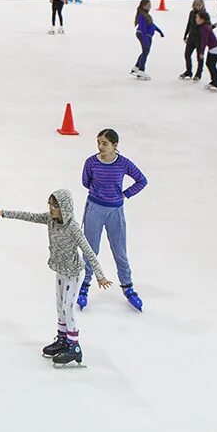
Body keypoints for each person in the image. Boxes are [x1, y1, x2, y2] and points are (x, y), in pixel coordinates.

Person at [0, 190, 111, 368]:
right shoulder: (50, 220)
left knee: (68, 307)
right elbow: (29, 216)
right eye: (50, 205)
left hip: (73, 273)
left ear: (65, 208)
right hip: (60, 270)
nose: (51, 209)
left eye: (55, 206)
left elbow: (88, 251)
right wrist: (4, 213)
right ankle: (62, 339)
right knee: (60, 306)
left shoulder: (73, 227)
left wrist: (100, 275)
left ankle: (74, 347)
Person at [78, 130, 147, 313]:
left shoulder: (123, 163)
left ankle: (127, 286)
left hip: (115, 211)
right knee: (90, 249)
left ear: (115, 145)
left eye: (105, 143)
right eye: (98, 142)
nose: (100, 147)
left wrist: (124, 194)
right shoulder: (91, 162)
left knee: (119, 250)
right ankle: (84, 284)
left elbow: (141, 180)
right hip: (94, 209)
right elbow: (86, 182)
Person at [131, 0, 163, 80]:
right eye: (148, 5)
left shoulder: (146, 14)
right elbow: (143, 29)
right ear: (143, 6)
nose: (150, 7)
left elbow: (152, 25)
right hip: (143, 35)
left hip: (146, 36)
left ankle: (136, 67)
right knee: (145, 52)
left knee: (145, 52)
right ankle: (141, 71)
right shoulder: (141, 16)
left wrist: (159, 31)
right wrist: (145, 40)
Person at [179, 0, 205, 80]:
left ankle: (198, 73)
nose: (197, 7)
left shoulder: (204, 14)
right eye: (196, 5)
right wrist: (185, 35)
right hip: (191, 38)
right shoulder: (192, 13)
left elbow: (208, 27)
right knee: (187, 55)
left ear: (202, 5)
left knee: (199, 56)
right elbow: (189, 24)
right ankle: (188, 71)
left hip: (200, 39)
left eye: (199, 5)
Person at [198, 8, 217, 91]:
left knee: (212, 65)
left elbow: (204, 41)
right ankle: (214, 81)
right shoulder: (205, 26)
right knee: (209, 64)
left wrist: (201, 52)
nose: (196, 19)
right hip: (213, 48)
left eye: (198, 18)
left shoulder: (204, 28)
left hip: (215, 48)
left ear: (203, 19)